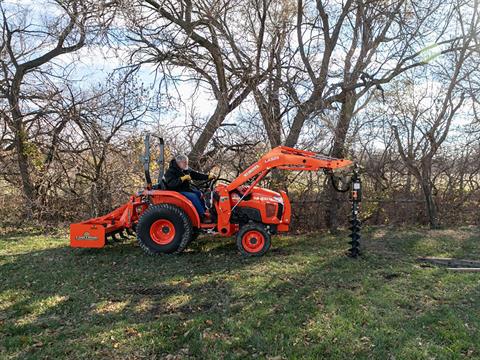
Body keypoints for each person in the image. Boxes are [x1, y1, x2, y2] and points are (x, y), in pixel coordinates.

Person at [164, 154, 214, 218]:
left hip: (185, 189)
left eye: (187, 162)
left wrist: (208, 176)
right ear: (179, 163)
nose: (186, 164)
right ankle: (202, 215)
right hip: (176, 191)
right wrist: (182, 178)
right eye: (185, 163)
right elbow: (171, 184)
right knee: (194, 196)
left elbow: (196, 175)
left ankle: (205, 211)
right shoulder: (170, 171)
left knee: (199, 193)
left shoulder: (185, 169)